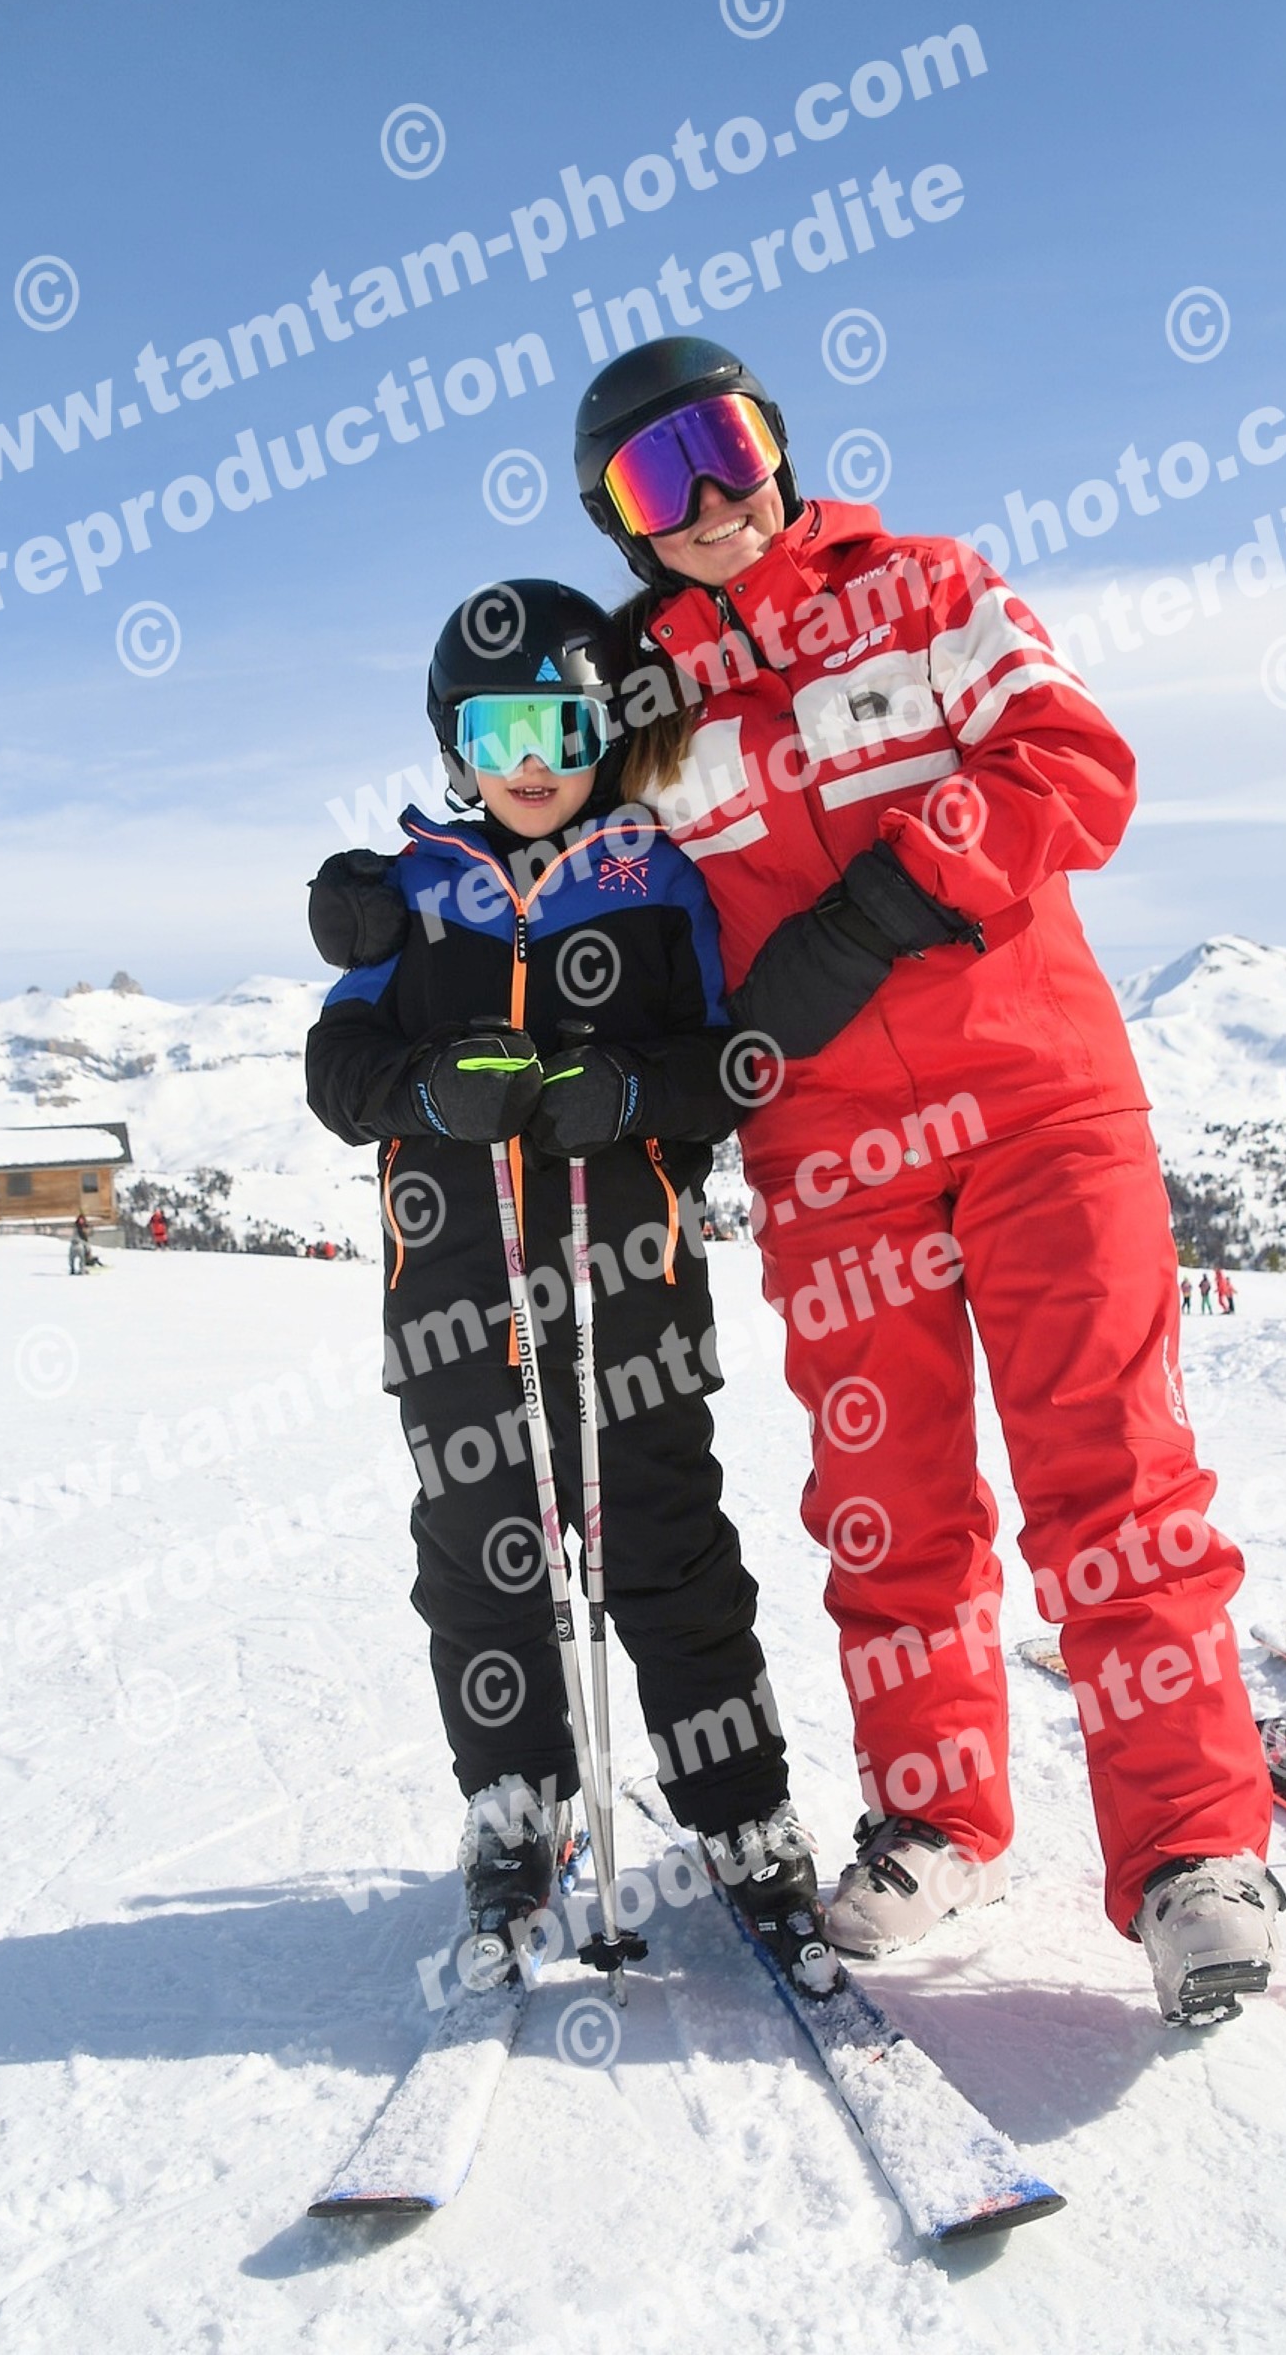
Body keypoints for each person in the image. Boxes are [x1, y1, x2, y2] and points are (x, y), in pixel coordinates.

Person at [570, 335, 1281, 2024]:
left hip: (1039, 1099)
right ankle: (938, 1819)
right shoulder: (644, 710)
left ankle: (1193, 1854)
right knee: (887, 1504)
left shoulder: (928, 588)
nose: (713, 498)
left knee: (1113, 1480)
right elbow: (567, 874)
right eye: (659, 479)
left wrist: (883, 908)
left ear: (777, 441)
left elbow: (1074, 761)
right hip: (829, 1154)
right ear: (621, 524)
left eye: (727, 445)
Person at [303, 580, 841, 2000]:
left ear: (609, 733)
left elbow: (729, 1066)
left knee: (664, 1548)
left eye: (564, 726)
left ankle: (741, 1810)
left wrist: (630, 1092)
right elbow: (336, 1075)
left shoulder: (660, 879)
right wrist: (427, 1088)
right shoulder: (412, 894)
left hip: (631, 1288)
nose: (531, 760)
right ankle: (516, 1805)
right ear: (454, 743)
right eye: (499, 732)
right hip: (454, 1293)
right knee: (482, 1551)